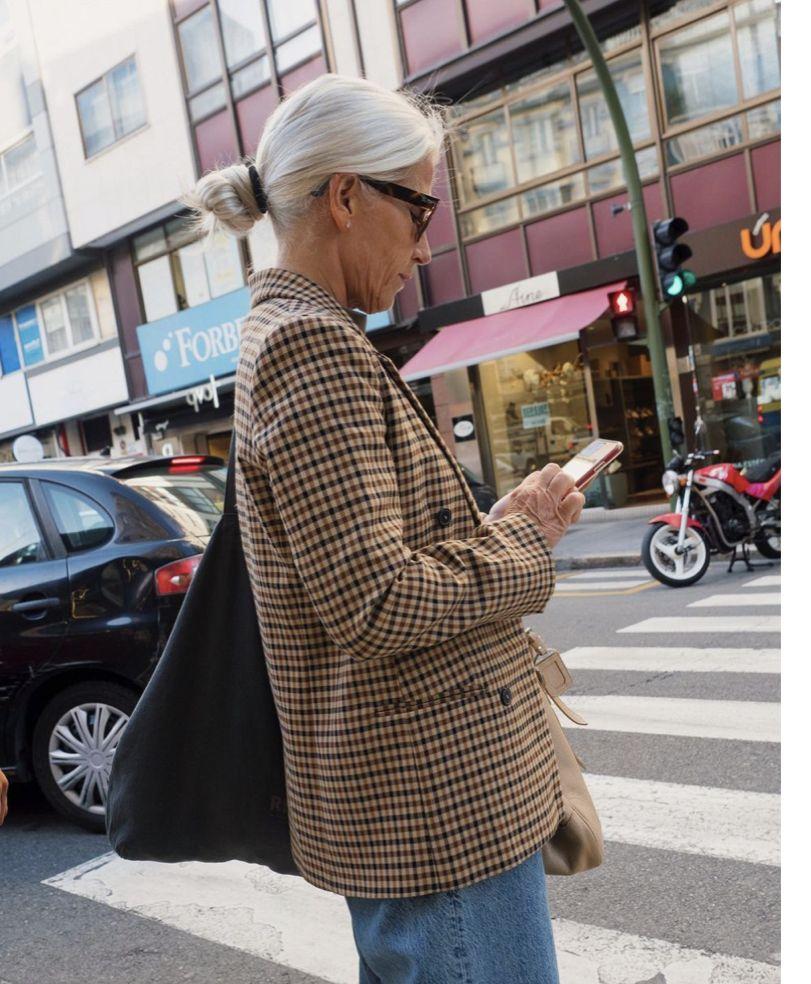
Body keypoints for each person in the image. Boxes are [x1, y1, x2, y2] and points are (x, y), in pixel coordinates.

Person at [180, 73, 583, 984]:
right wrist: (523, 550)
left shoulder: (305, 333)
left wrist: (498, 522)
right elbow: (378, 601)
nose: (428, 245)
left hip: (427, 807)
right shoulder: (308, 345)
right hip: (437, 813)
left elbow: (371, 556)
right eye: (420, 209)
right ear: (347, 196)